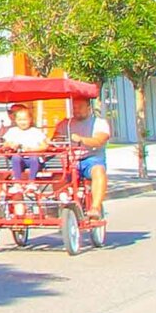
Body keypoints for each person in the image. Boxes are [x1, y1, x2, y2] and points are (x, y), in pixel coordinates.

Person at [53, 91, 115, 221]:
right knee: (57, 176)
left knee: (98, 171)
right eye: (74, 108)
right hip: (70, 160)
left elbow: (99, 140)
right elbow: (55, 140)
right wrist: (56, 141)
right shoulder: (65, 124)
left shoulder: (99, 123)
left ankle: (95, 207)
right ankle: (63, 203)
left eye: (80, 107)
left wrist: (82, 139)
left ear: (88, 107)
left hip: (91, 159)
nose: (76, 110)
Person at [0, 102, 49, 181]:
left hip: (33, 159)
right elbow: (4, 144)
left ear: (30, 120)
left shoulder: (35, 131)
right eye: (20, 120)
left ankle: (32, 181)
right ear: (16, 120)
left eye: (25, 120)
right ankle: (17, 181)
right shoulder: (12, 131)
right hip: (19, 159)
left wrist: (31, 149)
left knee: (34, 158)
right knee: (15, 158)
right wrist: (11, 145)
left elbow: (44, 146)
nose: (22, 122)